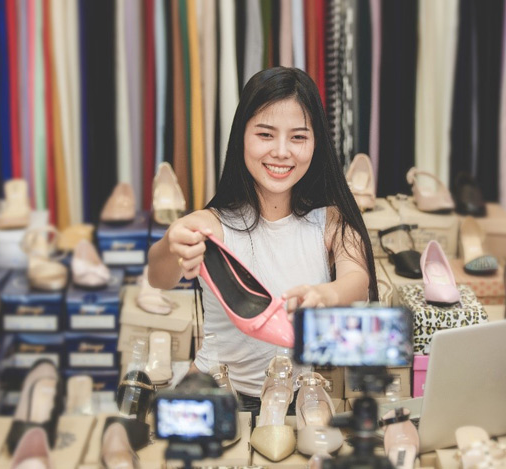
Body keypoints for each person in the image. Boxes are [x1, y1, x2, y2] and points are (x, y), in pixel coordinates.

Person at [148, 67, 377, 414]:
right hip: (213, 392)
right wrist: (170, 243)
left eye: (298, 137)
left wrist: (326, 294)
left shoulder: (330, 221)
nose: (282, 152)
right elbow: (158, 277)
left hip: (293, 401)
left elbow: (357, 280)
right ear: (242, 136)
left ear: (316, 143)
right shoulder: (213, 225)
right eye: (266, 135)